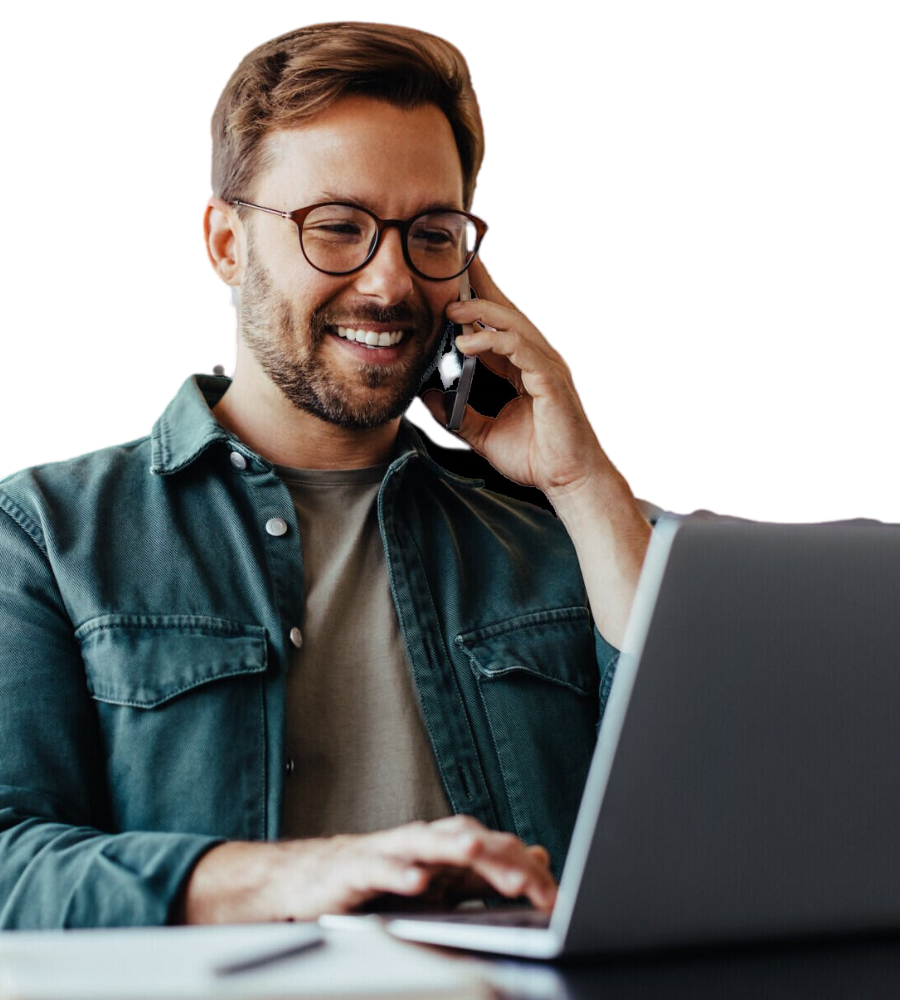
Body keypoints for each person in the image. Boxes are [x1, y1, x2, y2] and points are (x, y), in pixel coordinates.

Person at [0, 21, 650, 928]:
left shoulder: (556, 543)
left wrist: (583, 483)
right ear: (226, 245)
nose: (389, 284)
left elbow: (722, 814)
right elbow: (10, 862)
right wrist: (300, 876)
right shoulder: (45, 533)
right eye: (337, 227)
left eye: (431, 233)